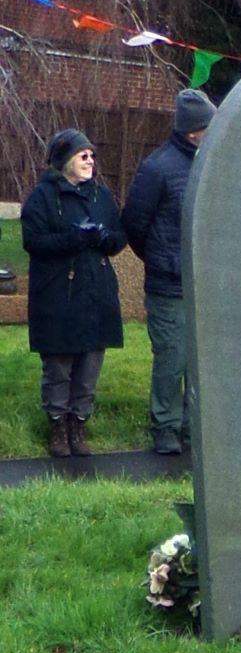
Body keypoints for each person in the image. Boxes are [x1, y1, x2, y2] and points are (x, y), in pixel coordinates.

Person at [122, 88, 217, 455]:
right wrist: (161, 259)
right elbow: (135, 222)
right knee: (171, 358)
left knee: (200, 361)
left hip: (205, 283)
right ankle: (165, 426)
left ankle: (196, 428)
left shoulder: (213, 161)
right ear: (195, 130)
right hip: (169, 285)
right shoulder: (158, 168)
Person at [20, 129, 126, 457]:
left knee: (89, 367)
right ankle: (57, 425)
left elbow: (119, 238)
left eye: (92, 155)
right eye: (83, 155)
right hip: (57, 295)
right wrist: (74, 238)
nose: (90, 160)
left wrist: (103, 237)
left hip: (96, 293)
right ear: (66, 160)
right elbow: (33, 241)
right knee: (59, 367)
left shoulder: (102, 196)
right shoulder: (42, 198)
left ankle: (79, 424)